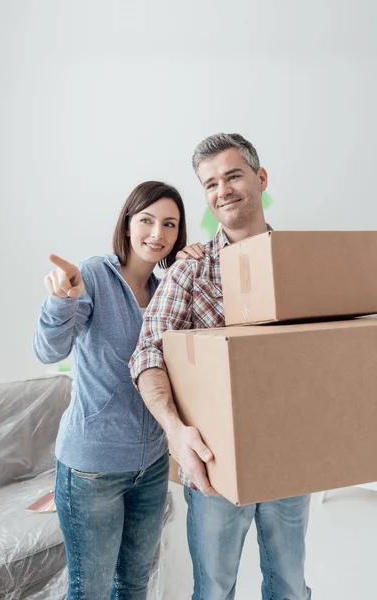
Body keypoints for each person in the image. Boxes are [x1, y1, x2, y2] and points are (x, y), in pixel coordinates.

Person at [130, 135, 312, 600]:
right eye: (210, 183)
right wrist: (175, 430)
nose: (222, 190)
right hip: (213, 465)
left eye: (233, 176)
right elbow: (148, 352)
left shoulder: (300, 263)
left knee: (290, 586)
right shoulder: (188, 271)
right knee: (213, 589)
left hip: (291, 455)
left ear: (260, 178)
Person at [33, 180, 205, 600]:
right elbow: (47, 349)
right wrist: (62, 300)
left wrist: (190, 271)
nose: (156, 234)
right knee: (89, 589)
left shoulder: (167, 292)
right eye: (146, 220)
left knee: (132, 584)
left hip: (150, 468)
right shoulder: (92, 276)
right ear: (127, 223)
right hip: (92, 468)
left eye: (169, 224)